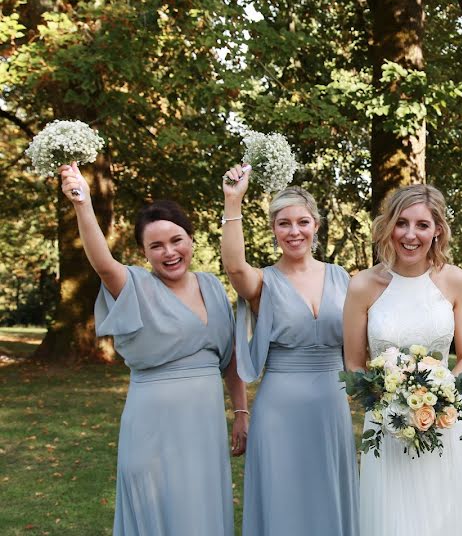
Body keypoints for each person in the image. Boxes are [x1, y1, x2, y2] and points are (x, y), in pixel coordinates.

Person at [59, 162, 247, 536]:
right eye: (156, 246)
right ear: (144, 253)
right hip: (152, 427)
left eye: (176, 240)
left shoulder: (212, 286)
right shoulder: (134, 286)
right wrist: (83, 204)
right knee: (156, 508)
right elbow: (101, 261)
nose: (169, 252)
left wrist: (241, 411)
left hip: (205, 424)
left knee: (201, 508)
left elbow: (230, 361)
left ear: (191, 240)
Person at [220, 166, 359, 536]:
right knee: (283, 498)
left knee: (328, 495)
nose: (294, 231)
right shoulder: (263, 282)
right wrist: (233, 200)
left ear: (315, 225)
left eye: (302, 221)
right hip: (279, 409)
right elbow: (234, 265)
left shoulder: (342, 278)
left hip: (331, 403)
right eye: (284, 223)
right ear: (274, 230)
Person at [343, 184, 462, 536]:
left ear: (437, 229)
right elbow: (354, 365)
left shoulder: (454, 281)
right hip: (387, 427)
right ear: (388, 226)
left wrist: (441, 398)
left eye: (422, 225)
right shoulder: (362, 285)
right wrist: (390, 404)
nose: (410, 235)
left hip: (447, 422)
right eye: (402, 223)